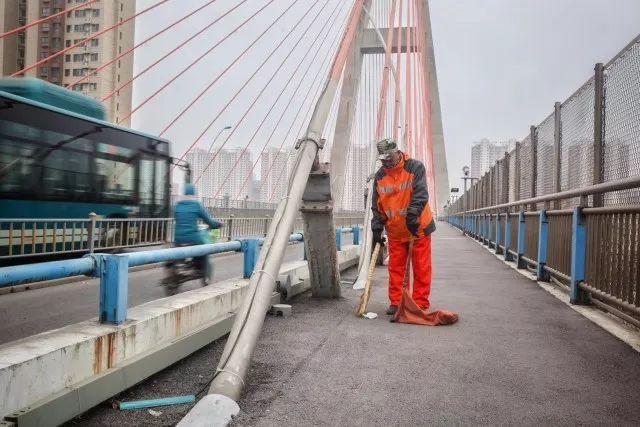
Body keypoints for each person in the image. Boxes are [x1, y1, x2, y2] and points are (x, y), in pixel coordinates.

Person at [371, 138, 436, 316]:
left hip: (418, 228)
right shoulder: (380, 176)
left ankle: (419, 304)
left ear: (398, 153)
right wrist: (377, 228)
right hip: (395, 231)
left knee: (421, 267)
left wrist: (413, 215)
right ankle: (397, 302)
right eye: (383, 160)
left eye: (389, 158)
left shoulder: (415, 167)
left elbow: (421, 193)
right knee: (396, 268)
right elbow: (377, 206)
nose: (386, 162)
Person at [173, 183, 223, 278]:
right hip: (192, 238)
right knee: (203, 248)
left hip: (178, 239)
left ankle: (181, 265)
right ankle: (199, 269)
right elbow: (209, 221)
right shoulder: (196, 205)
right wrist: (218, 224)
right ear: (194, 194)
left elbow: (177, 219)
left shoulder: (178, 205)